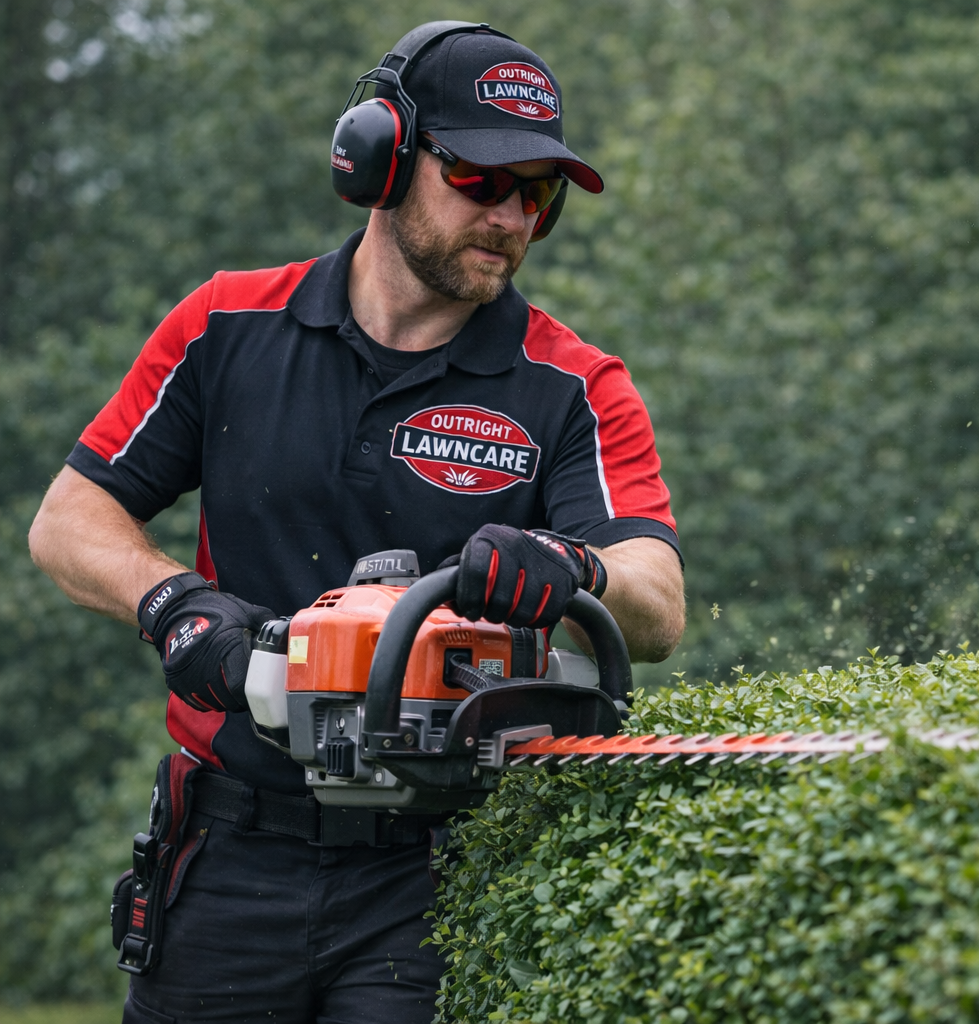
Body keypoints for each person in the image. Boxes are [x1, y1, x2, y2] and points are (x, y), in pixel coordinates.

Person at [28, 22, 684, 1024]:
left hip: (438, 870)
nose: (509, 214)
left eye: (536, 193)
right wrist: (173, 603)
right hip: (228, 852)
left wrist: (573, 567)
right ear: (379, 158)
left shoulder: (571, 387)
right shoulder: (226, 326)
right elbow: (69, 519)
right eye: (479, 177)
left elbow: (657, 600)